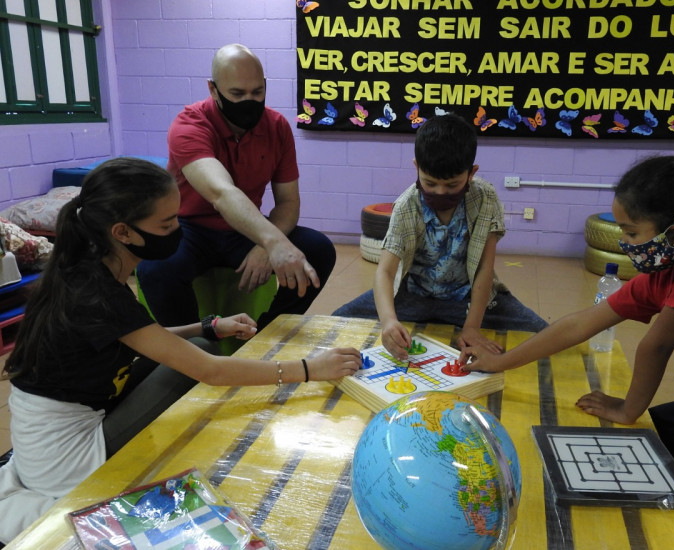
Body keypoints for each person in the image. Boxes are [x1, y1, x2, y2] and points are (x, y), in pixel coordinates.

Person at [460, 138, 674, 550]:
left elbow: (656, 345)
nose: (624, 242)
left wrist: (628, 408)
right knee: (659, 440)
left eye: (631, 231)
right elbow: (581, 323)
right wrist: (503, 362)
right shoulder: (667, 271)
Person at [0, 158, 360, 544]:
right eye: (168, 224)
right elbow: (212, 372)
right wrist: (308, 368)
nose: (177, 231)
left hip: (70, 415)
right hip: (63, 456)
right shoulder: (95, 291)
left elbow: (141, 336)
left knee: (199, 342)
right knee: (193, 363)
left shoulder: (91, 266)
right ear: (123, 232)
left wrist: (208, 325)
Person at [136, 43, 336, 330]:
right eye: (237, 94)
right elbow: (221, 193)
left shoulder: (277, 127)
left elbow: (289, 202)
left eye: (257, 92)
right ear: (213, 89)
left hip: (243, 229)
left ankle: (267, 332)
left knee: (319, 249)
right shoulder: (190, 125)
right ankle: (196, 345)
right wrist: (273, 242)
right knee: (155, 268)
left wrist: (263, 244)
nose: (249, 102)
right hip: (189, 229)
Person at [333, 113, 548, 360]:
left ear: (471, 172)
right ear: (417, 168)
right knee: (337, 321)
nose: (440, 192)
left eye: (452, 185)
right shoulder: (406, 205)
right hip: (411, 296)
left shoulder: (485, 198)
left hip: (466, 299)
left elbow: (484, 268)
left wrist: (472, 327)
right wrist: (389, 321)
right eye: (430, 183)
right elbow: (385, 272)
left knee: (542, 334)